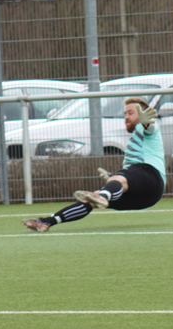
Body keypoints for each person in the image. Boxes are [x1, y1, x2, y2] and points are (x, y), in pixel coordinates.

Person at [22, 97, 165, 232]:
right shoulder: (136, 137)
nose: (126, 117)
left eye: (131, 113)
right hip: (147, 198)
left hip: (153, 177)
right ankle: (47, 222)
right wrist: (112, 180)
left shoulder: (146, 128)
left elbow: (150, 128)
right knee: (92, 199)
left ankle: (104, 195)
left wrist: (146, 122)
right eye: (125, 114)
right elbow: (130, 178)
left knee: (112, 186)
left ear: (143, 115)